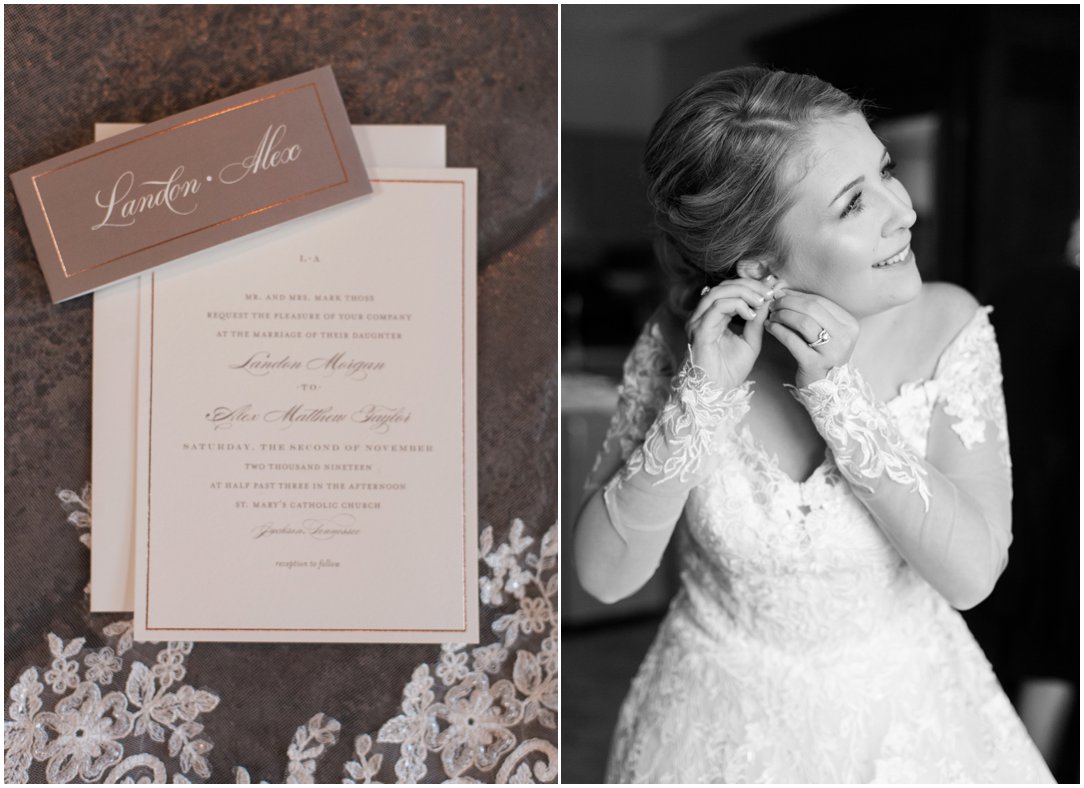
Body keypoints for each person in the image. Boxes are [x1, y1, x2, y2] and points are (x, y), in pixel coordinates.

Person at [573, 67, 1055, 783]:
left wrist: (839, 399)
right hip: (711, 730)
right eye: (855, 202)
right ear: (763, 264)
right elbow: (605, 578)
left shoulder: (950, 325)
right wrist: (701, 398)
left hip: (908, 726)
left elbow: (972, 577)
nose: (906, 209)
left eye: (885, 170)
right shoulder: (681, 344)